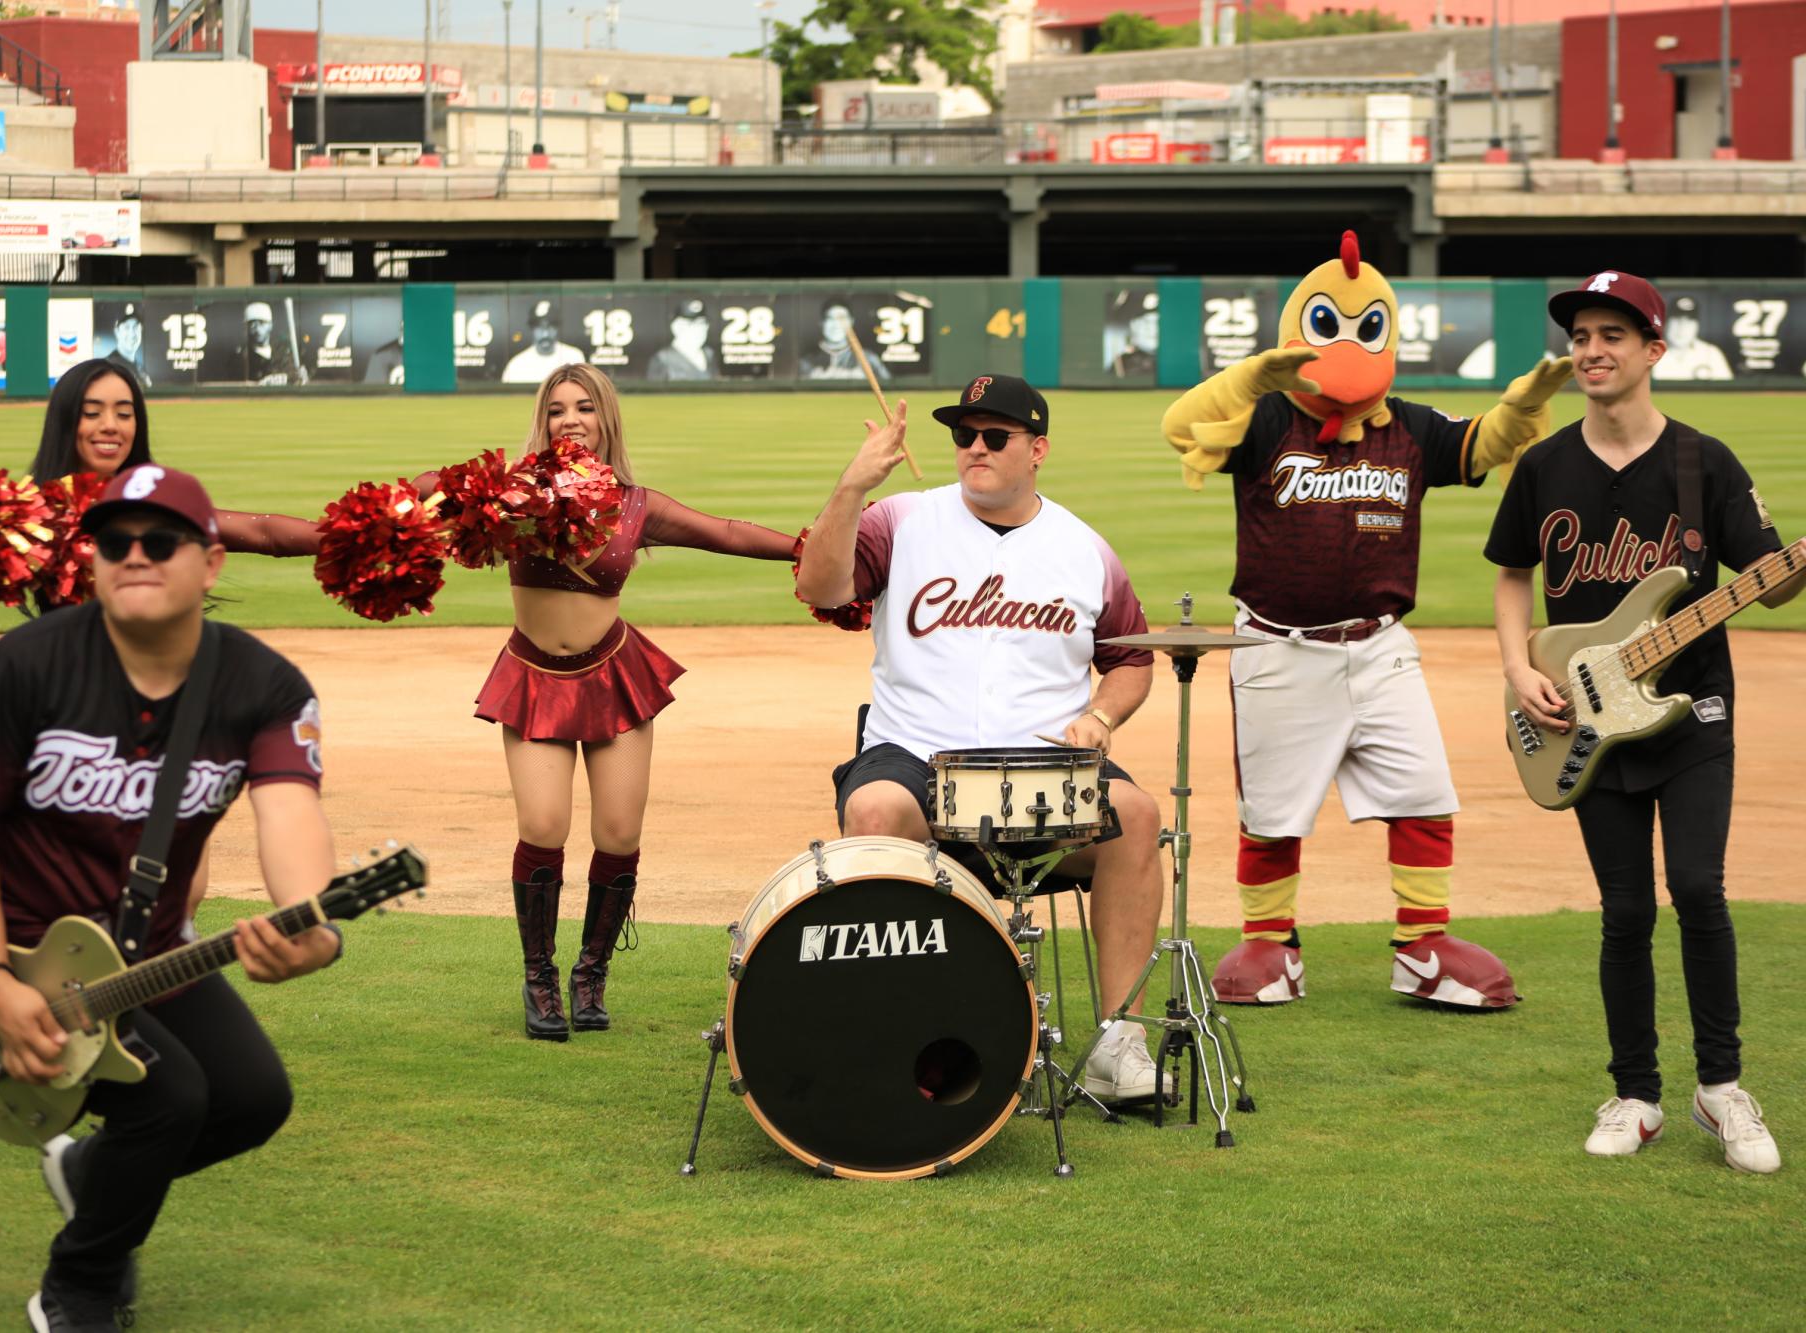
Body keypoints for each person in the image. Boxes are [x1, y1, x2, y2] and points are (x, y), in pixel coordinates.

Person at [0, 464, 340, 1331]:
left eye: (160, 540)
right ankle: (78, 1288)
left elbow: (290, 808)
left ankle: (88, 1177)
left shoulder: (264, 685)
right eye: (114, 541)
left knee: (254, 1099)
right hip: (6, 945)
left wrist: (312, 929)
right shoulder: (29, 663)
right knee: (167, 1095)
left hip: (147, 943)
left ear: (212, 562)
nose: (135, 556)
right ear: (94, 559)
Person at [1162, 229, 1569, 1009]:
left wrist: (1520, 409)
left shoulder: (1408, 427)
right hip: (1280, 647)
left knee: (1423, 792)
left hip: (1380, 645)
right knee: (1273, 810)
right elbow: (1182, 428)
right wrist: (1250, 377)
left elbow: (1477, 446)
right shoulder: (1264, 420)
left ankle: (1423, 943)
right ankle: (1271, 943)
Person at [1486, 270, 1800, 1173]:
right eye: (1582, 334)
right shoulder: (1544, 463)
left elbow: (1770, 581)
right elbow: (1512, 574)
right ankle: (1635, 1093)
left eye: (1613, 335)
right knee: (1624, 910)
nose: (1592, 349)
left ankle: (1722, 1089)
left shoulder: (1705, 461)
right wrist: (1517, 669)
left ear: (1653, 350)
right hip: (1585, 716)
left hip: (1691, 710)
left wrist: (1792, 568)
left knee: (1698, 888)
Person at [796, 374, 1172, 1103]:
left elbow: (1131, 659)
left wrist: (1100, 718)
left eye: (994, 436)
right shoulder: (900, 519)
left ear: (1038, 449)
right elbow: (822, 587)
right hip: (914, 753)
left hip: (1040, 766)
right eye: (963, 435)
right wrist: (850, 489)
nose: (974, 447)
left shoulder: (1083, 548)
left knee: (1141, 817)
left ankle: (1119, 1042)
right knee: (873, 812)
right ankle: (901, 1035)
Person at [455, 364, 799, 1039]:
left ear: (606, 417)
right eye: (557, 410)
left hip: (613, 673)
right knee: (544, 825)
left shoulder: (636, 504)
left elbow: (725, 532)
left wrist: (809, 547)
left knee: (619, 835)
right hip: (533, 676)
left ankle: (590, 975)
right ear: (543, 421)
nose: (571, 419)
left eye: (584, 407)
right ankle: (540, 979)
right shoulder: (512, 493)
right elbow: (436, 501)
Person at [0, 359, 324, 561]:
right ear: (65, 422)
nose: (110, 426)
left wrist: (355, 535)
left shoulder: (160, 505)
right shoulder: (32, 510)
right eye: (92, 413)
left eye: (124, 414)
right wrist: (8, 514)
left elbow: (263, 532)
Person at [803, 299, 891, 383]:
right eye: (830, 318)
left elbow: (888, 388)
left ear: (851, 322)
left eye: (842, 318)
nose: (836, 324)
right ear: (822, 323)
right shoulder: (807, 361)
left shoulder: (868, 358)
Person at [502, 299, 587, 383]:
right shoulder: (516, 365)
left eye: (550, 327)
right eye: (540, 328)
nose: (545, 334)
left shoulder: (574, 357)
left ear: (557, 328)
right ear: (532, 329)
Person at [1655, 294, 1734, 382]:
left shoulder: (1711, 352)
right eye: (1676, 320)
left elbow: (1728, 391)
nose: (1682, 328)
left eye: (1689, 321)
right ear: (1666, 323)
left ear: (1697, 326)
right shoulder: (1650, 352)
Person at [646, 297, 716, 382]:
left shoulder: (709, 354)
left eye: (701, 323)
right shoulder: (662, 359)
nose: (698, 329)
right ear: (676, 327)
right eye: (690, 324)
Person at [240, 301, 307, 386]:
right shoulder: (241, 357)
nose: (257, 329)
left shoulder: (283, 353)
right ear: (246, 328)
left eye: (262, 323)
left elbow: (296, 379)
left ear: (270, 325)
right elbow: (236, 386)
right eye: (252, 324)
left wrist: (301, 378)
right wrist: (259, 384)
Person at [103, 304, 151, 389]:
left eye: (136, 327)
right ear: (117, 332)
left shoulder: (140, 368)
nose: (132, 333)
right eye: (126, 327)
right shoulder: (109, 366)